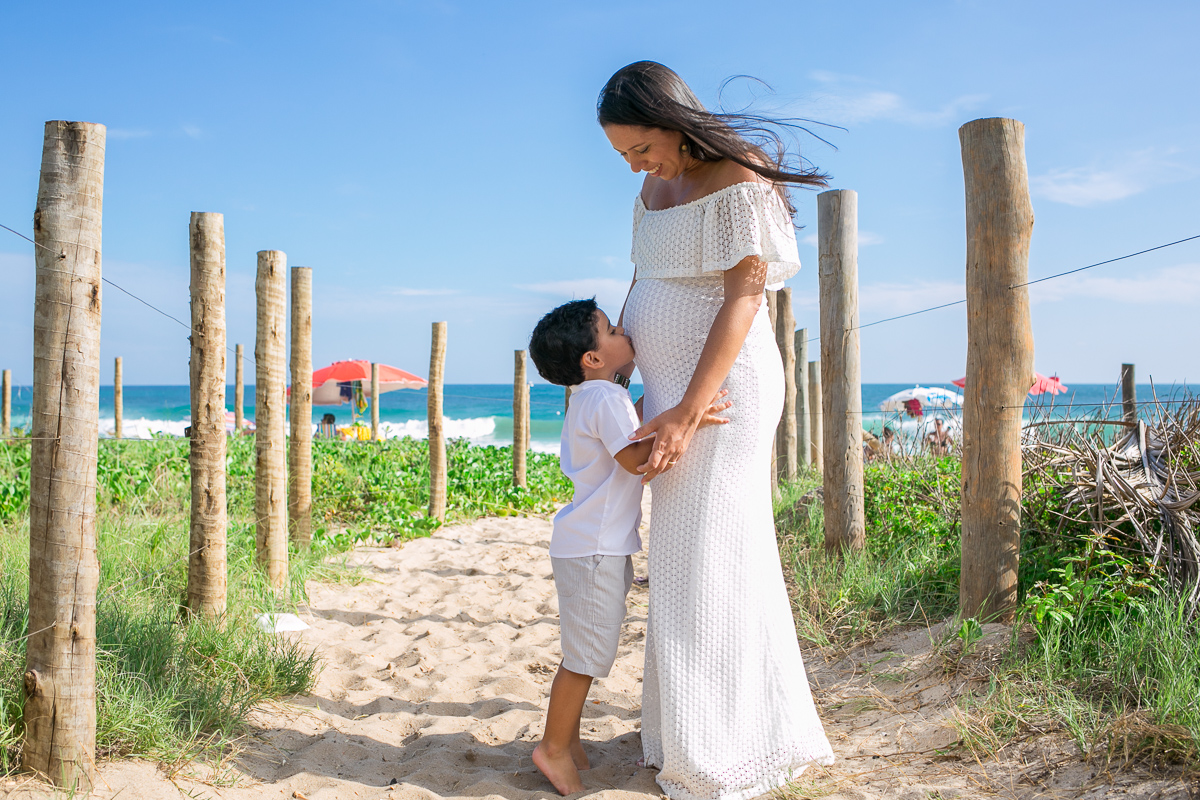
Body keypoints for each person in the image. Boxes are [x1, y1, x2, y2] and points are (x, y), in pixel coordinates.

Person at [599, 61, 835, 799]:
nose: (639, 166)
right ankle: (690, 730)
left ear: (673, 120)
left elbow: (742, 297)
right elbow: (646, 279)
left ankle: (728, 746)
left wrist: (689, 410)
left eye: (642, 149)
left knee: (712, 553)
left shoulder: (739, 174)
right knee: (683, 557)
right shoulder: (651, 186)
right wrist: (628, 383)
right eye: (626, 157)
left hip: (722, 391)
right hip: (669, 391)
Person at [526, 299, 730, 795]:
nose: (624, 330)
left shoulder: (591, 398)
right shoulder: (605, 400)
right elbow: (637, 459)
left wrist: (657, 412)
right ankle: (552, 748)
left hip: (588, 545)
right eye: (612, 328)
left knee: (585, 649)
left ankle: (569, 742)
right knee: (587, 657)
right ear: (593, 358)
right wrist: (690, 417)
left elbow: (628, 433)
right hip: (595, 548)